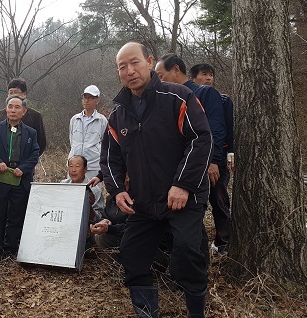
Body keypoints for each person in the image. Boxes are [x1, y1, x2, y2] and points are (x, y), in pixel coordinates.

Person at [101, 42, 211, 317]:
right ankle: (146, 313)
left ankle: (196, 311)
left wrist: (183, 184)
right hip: (144, 201)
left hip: (184, 197)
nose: (130, 71)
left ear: (149, 62)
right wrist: (116, 191)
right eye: (122, 66)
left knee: (187, 253)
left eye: (135, 62)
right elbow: (110, 159)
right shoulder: (117, 115)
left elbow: (200, 139)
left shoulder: (178, 97)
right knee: (132, 253)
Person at [155, 55, 230, 254]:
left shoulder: (205, 93)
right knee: (191, 211)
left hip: (209, 163)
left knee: (218, 202)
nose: (159, 81)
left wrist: (213, 160)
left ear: (176, 70)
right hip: (185, 164)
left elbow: (215, 128)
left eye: (161, 76)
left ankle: (224, 244)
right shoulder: (169, 97)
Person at [0, 95, 40, 263]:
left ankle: (11, 248)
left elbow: (35, 154)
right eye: (10, 107)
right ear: (6, 109)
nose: (13, 110)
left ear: (24, 111)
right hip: (0, 177)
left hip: (19, 178)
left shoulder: (31, 132)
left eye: (17, 107)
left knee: (16, 214)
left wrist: (22, 169)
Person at [189, 63, 234, 254]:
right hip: (194, 159)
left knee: (219, 199)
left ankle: (223, 242)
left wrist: (225, 156)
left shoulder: (223, 100)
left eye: (211, 75)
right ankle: (195, 243)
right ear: (193, 79)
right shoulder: (188, 99)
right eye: (204, 74)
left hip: (218, 158)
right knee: (194, 203)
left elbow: (227, 130)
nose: (209, 78)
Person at [0, 78, 47, 155]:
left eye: (16, 92)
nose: (13, 95)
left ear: (24, 94)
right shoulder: (0, 115)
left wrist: (30, 161)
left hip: (26, 162)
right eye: (10, 93)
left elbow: (41, 142)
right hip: (2, 163)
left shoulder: (35, 116)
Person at [68, 85, 108, 180]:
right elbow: (71, 140)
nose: (87, 100)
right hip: (75, 165)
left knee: (93, 193)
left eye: (90, 98)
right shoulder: (75, 119)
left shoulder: (102, 120)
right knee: (73, 193)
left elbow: (105, 143)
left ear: (97, 100)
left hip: (93, 166)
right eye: (85, 97)